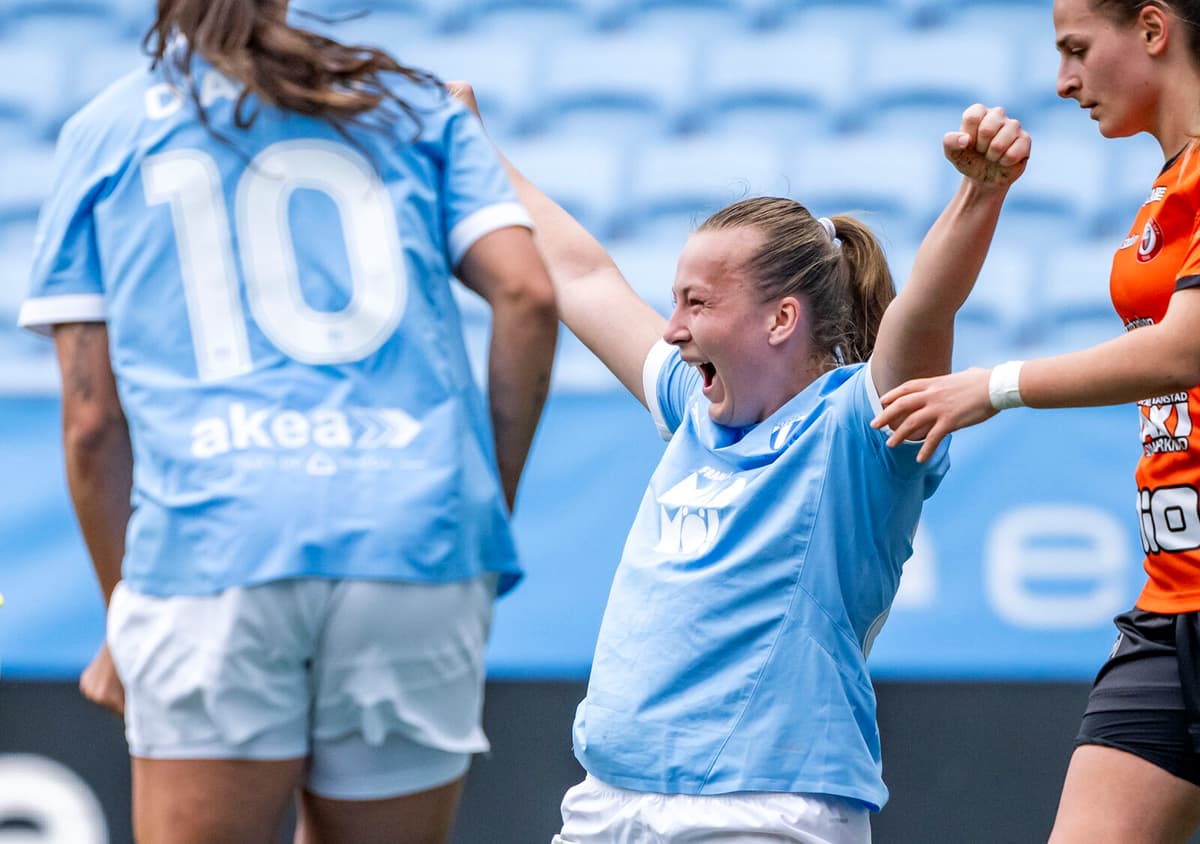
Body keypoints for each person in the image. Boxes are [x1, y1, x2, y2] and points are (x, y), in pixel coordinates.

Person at [18, 1, 558, 841]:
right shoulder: (411, 102)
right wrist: (476, 506)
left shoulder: (107, 128)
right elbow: (527, 294)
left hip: (211, 552)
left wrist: (123, 612)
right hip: (410, 535)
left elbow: (92, 421)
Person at [449, 83, 1029, 842]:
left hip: (762, 812)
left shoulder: (860, 428)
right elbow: (581, 275)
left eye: (696, 303)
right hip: (607, 803)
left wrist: (978, 196)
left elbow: (924, 311)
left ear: (781, 318)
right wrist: (473, 144)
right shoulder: (691, 408)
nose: (672, 328)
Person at [871, 1, 1200, 841]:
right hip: (1171, 605)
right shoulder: (1168, 189)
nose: (1063, 82)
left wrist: (995, 386)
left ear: (1154, 30)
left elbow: (1186, 350)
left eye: (1079, 50)